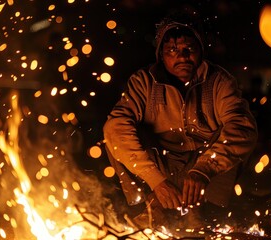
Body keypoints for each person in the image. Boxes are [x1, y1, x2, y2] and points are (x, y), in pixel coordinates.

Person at [103, 11, 258, 230]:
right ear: (162, 55)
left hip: (206, 167)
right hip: (161, 166)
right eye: (173, 50)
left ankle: (206, 212)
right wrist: (155, 180)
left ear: (201, 51)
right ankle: (152, 207)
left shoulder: (219, 82)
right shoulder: (143, 82)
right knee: (114, 136)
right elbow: (116, 126)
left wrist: (203, 170)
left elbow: (242, 128)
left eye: (189, 49)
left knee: (235, 134)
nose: (182, 57)